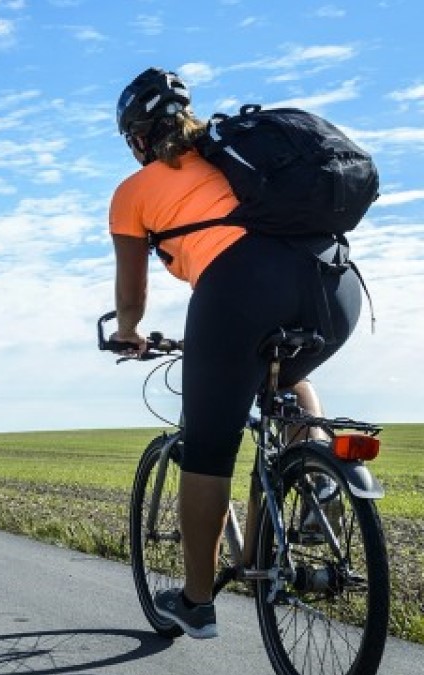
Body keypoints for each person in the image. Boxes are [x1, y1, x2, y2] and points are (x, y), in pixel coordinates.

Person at [107, 68, 364, 639]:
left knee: (207, 449)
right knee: (280, 373)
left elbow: (132, 295)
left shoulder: (134, 192)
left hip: (243, 289)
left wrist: (130, 330)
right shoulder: (235, 161)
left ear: (140, 137)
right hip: (335, 285)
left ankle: (197, 602)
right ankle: (318, 468)